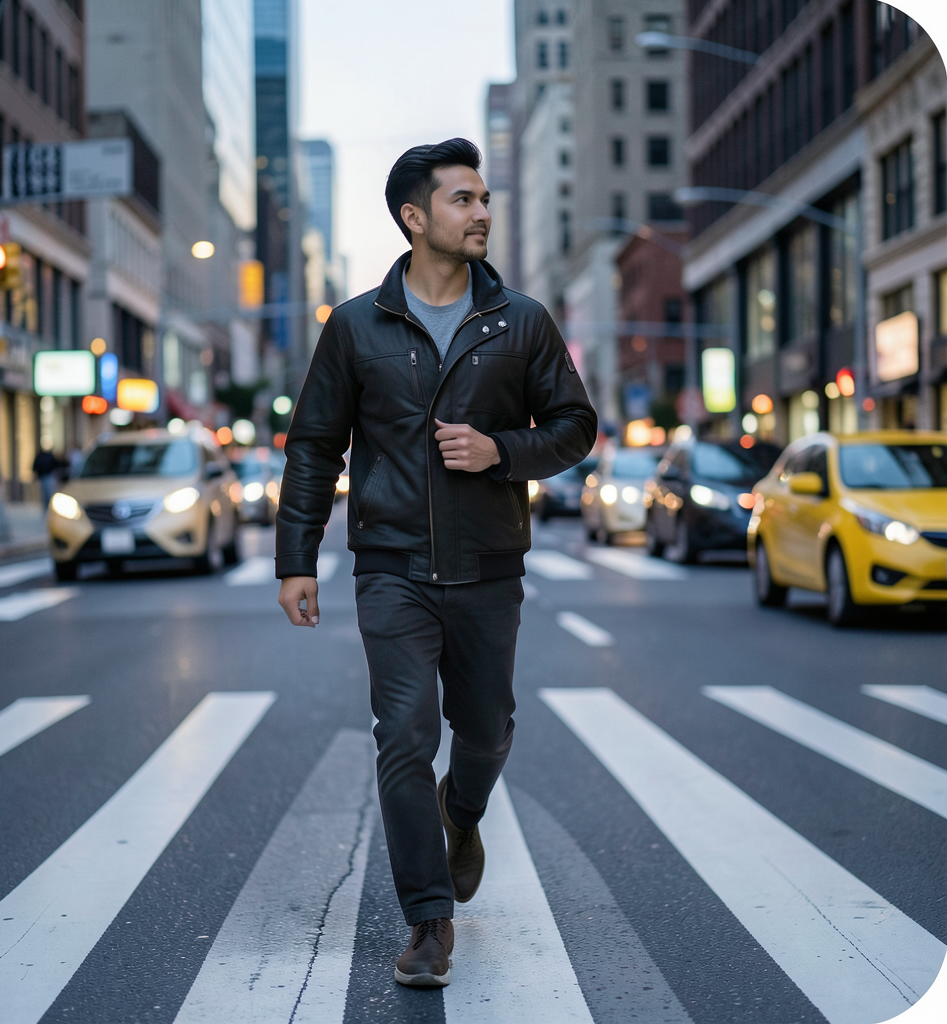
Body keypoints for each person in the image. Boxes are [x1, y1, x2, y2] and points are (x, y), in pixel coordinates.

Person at [275, 139, 596, 987]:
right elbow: (314, 445)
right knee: (406, 734)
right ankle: (427, 921)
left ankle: (465, 811)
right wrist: (295, 558)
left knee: (485, 730)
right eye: (463, 200)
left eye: (484, 197)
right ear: (415, 218)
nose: (482, 211)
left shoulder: (521, 320)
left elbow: (574, 426)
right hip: (391, 567)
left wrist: (500, 450)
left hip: (489, 564)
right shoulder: (355, 325)